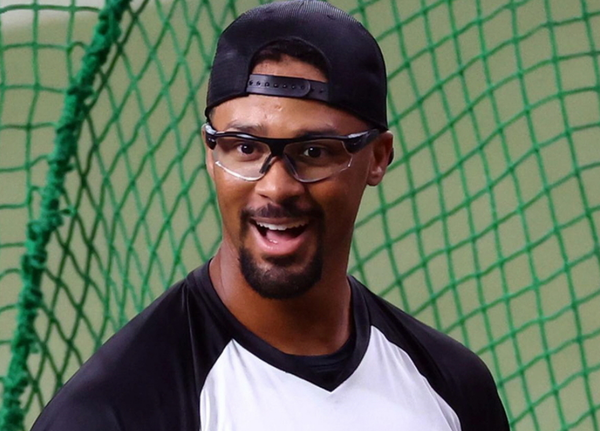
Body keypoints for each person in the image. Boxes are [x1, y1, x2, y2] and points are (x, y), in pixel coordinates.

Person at [32, 1, 510, 430]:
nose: (277, 187)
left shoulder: (451, 387)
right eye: (245, 147)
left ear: (378, 158)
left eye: (315, 151)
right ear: (210, 151)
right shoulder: (115, 411)